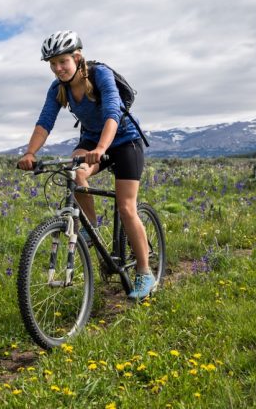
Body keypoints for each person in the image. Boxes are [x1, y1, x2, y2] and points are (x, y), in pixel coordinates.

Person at [17, 30, 155, 300]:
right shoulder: (58, 88)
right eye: (52, 64)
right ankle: (91, 227)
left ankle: (145, 272)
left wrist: (101, 149)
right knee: (76, 172)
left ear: (77, 57)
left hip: (125, 141)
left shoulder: (100, 74)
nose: (58, 68)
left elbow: (112, 112)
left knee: (126, 207)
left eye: (63, 61)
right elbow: (45, 122)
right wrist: (30, 152)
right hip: (93, 140)